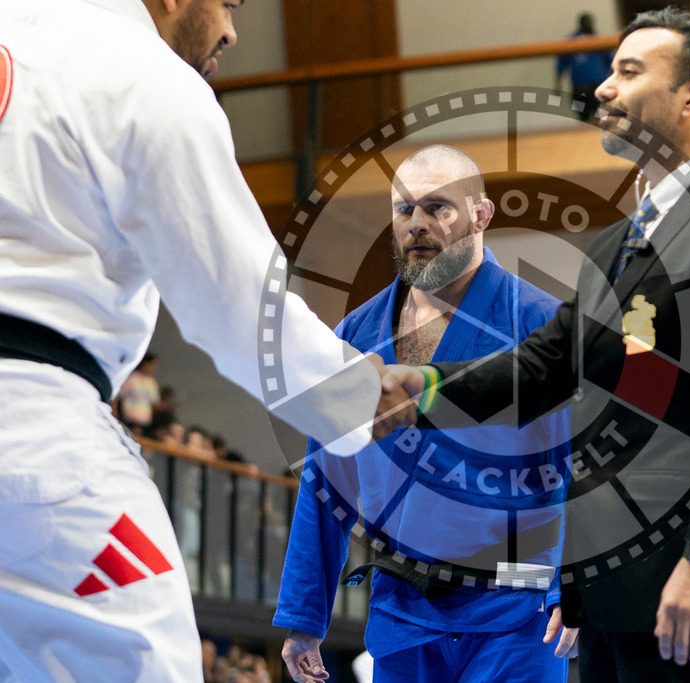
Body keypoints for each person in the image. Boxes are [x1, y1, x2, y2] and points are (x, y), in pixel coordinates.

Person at [382, 8, 690, 681]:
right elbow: (549, 364)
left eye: (629, 71)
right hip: (610, 588)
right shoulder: (619, 241)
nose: (604, 88)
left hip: (685, 584)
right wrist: (424, 389)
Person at [0, 1, 415, 680]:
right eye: (227, 3)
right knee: (150, 661)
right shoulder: (140, 72)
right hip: (33, 441)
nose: (231, 31)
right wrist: (357, 392)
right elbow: (241, 307)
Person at [275, 146, 575, 683]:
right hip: (403, 612)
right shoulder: (356, 336)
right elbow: (326, 481)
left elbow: (576, 467)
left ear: (481, 215)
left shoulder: (538, 323)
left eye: (438, 208)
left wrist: (570, 587)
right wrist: (305, 614)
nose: (417, 223)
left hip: (517, 613)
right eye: (404, 209)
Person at [556, 12, 613, 121]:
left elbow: (611, 63)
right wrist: (557, 85)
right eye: (586, 22)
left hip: (598, 84)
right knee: (585, 117)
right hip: (580, 86)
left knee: (601, 116)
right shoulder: (571, 41)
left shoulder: (599, 40)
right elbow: (560, 65)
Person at [117, 352, 161, 435]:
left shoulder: (152, 382)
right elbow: (121, 396)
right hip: (130, 419)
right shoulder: (132, 378)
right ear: (145, 364)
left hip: (144, 421)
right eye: (152, 365)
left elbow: (154, 402)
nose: (153, 368)